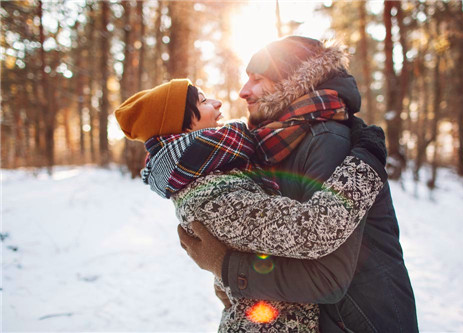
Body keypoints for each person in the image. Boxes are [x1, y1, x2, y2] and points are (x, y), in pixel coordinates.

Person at [179, 36, 419, 332]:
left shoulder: (327, 140)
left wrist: (227, 268)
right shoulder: (279, 140)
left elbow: (327, 279)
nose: (243, 91)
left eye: (257, 79)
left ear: (291, 82)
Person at [114, 78, 388, 331]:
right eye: (203, 101)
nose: (217, 103)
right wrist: (368, 158)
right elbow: (312, 230)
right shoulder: (213, 196)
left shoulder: (209, 176)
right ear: (183, 125)